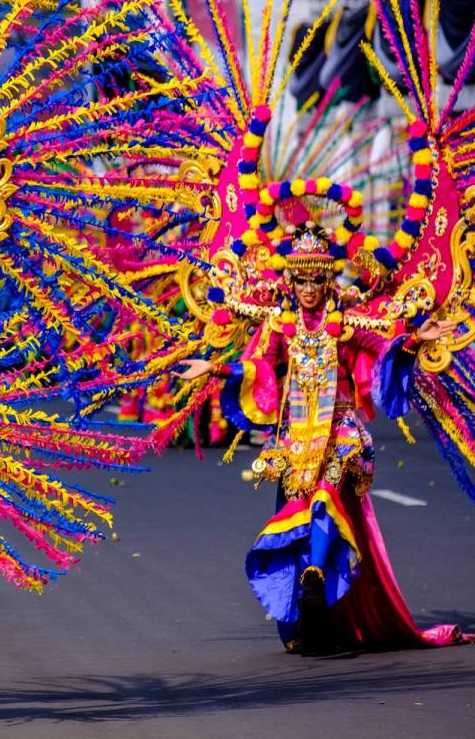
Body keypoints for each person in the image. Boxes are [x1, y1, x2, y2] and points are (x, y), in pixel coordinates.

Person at [177, 225, 469, 655]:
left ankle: (314, 574)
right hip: (296, 435)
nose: (308, 288)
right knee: (300, 508)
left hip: (339, 430)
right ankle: (311, 607)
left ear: (327, 280)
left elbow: (385, 347)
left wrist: (413, 342)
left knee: (325, 498)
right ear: (290, 282)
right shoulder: (282, 324)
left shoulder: (346, 323)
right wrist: (216, 369)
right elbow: (258, 367)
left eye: (316, 279)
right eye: (300, 280)